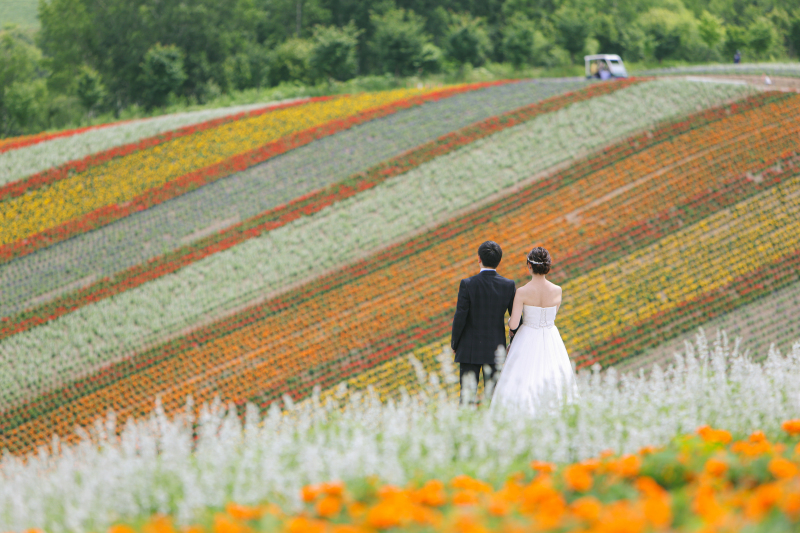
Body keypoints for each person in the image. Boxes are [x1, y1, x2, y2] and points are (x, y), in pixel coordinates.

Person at [491, 246, 578, 415]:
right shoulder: (557, 290)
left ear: (529, 266)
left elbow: (514, 324)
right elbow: (552, 315)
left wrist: (509, 321)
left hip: (527, 335)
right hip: (551, 335)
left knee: (524, 377)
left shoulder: (522, 292)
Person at [451, 241, 516, 404]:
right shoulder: (508, 285)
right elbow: (515, 319)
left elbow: (460, 317)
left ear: (478, 259)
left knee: (467, 398)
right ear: (499, 261)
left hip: (469, 349)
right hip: (496, 350)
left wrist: (455, 344)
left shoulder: (468, 284)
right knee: (493, 399)